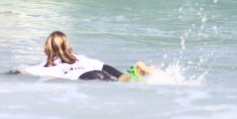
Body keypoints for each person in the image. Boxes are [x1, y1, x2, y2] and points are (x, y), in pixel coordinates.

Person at [16, 31, 157, 82]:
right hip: (99, 73)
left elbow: (23, 71)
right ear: (67, 45)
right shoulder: (78, 57)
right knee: (119, 83)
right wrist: (119, 75)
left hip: (87, 78)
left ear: (47, 48)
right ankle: (132, 74)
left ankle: (132, 75)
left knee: (117, 88)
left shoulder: (46, 67)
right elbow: (104, 66)